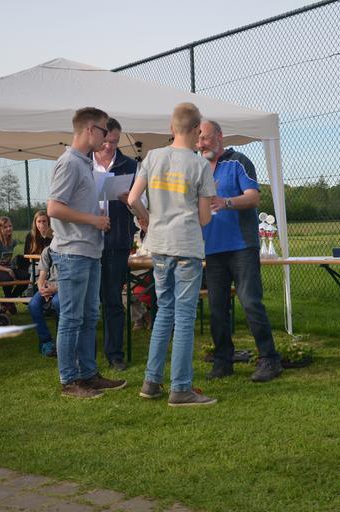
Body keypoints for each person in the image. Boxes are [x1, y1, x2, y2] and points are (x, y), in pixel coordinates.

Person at [129, 102, 217, 407]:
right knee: (184, 317)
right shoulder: (200, 165)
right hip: (186, 247)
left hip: (160, 246)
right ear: (196, 130)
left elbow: (132, 198)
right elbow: (204, 218)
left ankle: (151, 382)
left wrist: (147, 219)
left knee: (163, 312)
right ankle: (180, 388)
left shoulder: (153, 157)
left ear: (171, 128)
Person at [47, 107, 126, 399]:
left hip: (90, 251)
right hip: (72, 251)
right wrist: (93, 220)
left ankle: (88, 374)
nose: (106, 138)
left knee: (90, 315)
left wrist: (96, 216)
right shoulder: (69, 163)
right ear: (90, 129)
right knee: (72, 318)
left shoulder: (84, 164)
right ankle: (70, 380)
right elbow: (54, 207)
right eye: (104, 131)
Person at [197, 119, 283, 382]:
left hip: (241, 246)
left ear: (219, 136)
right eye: (197, 139)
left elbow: (253, 197)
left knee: (250, 302)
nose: (201, 144)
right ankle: (223, 361)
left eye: (205, 138)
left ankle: (269, 359)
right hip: (212, 249)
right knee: (217, 307)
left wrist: (226, 202)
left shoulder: (238, 162)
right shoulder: (198, 168)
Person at [93, 117, 138, 371]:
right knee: (89, 301)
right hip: (87, 241)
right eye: (107, 141)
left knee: (112, 299)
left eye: (115, 141)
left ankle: (114, 353)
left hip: (116, 241)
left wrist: (129, 200)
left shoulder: (129, 165)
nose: (110, 146)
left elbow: (140, 206)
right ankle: (86, 352)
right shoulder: (83, 162)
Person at [0, 216, 28, 313]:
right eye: (5, 227)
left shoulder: (13, 242)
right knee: (8, 277)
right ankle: (9, 303)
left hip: (8, 268)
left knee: (27, 277)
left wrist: (11, 268)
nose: (9, 228)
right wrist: (8, 270)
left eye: (10, 226)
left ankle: (8, 302)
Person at [28, 246, 59, 357]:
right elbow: (42, 276)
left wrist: (55, 289)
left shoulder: (71, 250)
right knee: (33, 305)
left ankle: (61, 342)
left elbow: (73, 279)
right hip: (48, 287)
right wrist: (42, 291)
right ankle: (46, 341)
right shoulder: (48, 251)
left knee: (57, 302)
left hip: (65, 288)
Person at [21, 210, 53, 287]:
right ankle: (31, 289)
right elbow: (26, 254)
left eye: (44, 221)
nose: (42, 224)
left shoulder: (53, 235)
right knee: (37, 271)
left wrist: (46, 236)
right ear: (35, 223)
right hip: (34, 264)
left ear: (48, 222)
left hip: (50, 264)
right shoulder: (30, 236)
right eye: (39, 221)